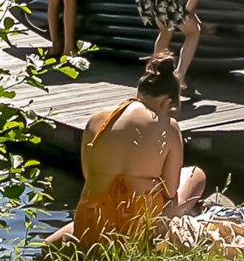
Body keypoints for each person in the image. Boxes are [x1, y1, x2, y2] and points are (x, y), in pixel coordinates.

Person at [53, 61, 207, 248]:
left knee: (54, 240)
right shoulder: (168, 126)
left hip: (92, 222)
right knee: (196, 174)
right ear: (167, 102)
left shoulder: (96, 119)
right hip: (138, 226)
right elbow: (170, 189)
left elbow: (88, 175)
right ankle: (151, 237)